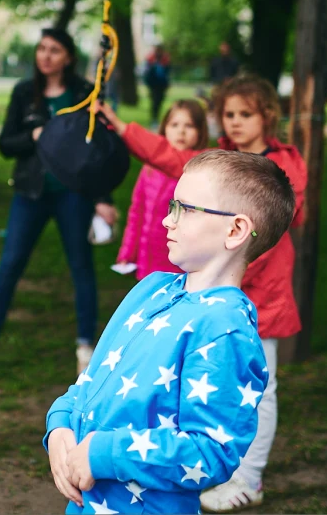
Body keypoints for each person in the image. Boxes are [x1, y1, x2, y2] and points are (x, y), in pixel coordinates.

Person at [95, 73, 306, 513]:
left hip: (260, 294)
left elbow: (271, 227)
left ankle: (248, 477)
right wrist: (123, 125)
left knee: (259, 392)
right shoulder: (216, 165)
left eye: (245, 114)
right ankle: (197, 466)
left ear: (267, 116)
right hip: (214, 289)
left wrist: (227, 272)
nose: (236, 122)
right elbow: (167, 156)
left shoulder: (283, 165)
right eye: (229, 114)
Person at [44, 151, 296, 515]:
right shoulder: (150, 289)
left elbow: (211, 452)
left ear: (235, 230)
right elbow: (90, 381)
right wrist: (60, 429)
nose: (166, 220)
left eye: (185, 209)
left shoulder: (225, 329)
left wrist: (103, 453)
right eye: (171, 206)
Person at [0, 27, 117, 376]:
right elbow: (5, 144)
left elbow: (99, 150)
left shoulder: (85, 94)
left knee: (80, 266)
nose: (45, 55)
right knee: (10, 262)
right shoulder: (25, 93)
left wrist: (102, 197)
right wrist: (34, 135)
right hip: (30, 192)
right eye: (42, 48)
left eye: (54, 50)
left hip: (73, 193)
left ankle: (86, 348)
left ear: (68, 57)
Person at [116, 100, 209, 281]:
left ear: (201, 131)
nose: (181, 131)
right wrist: (127, 252)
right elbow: (137, 212)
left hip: (180, 264)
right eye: (174, 124)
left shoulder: (199, 171)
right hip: (147, 261)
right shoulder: (149, 169)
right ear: (164, 128)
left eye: (189, 125)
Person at [142, 46, 172, 128]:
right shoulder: (151, 59)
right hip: (153, 85)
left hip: (161, 85)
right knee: (154, 101)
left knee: (159, 101)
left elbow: (168, 72)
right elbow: (147, 73)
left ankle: (156, 117)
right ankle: (154, 118)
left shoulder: (165, 59)